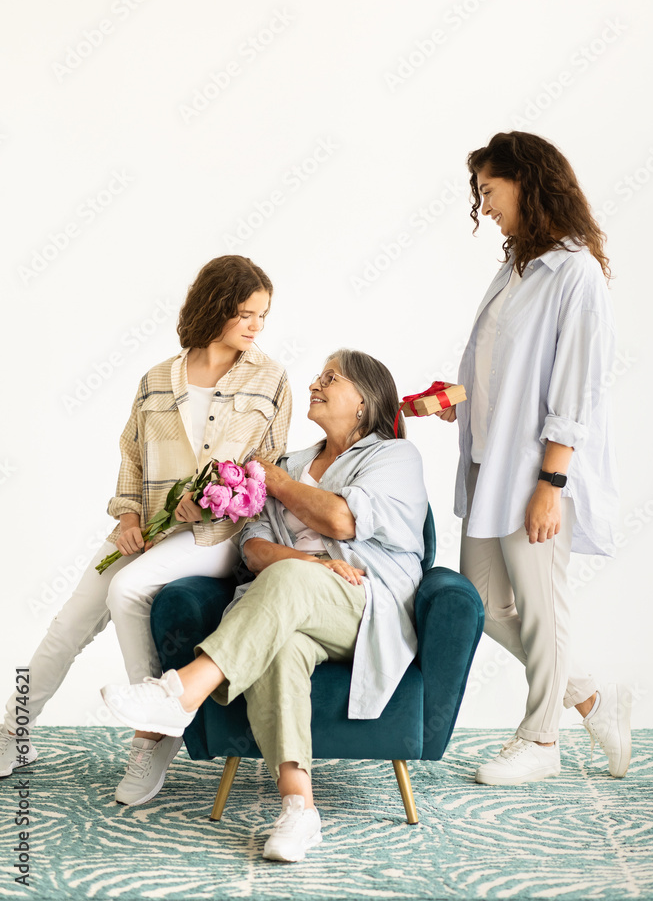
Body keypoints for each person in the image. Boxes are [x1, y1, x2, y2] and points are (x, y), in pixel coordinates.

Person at [101, 349, 428, 863]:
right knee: (282, 646)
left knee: (289, 577)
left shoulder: (392, 457)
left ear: (363, 400)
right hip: (289, 598)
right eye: (317, 375)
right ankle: (300, 811)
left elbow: (344, 522)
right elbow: (251, 544)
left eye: (330, 378)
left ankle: (181, 691)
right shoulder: (295, 462)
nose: (315, 385)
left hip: (363, 604)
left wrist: (275, 483)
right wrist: (307, 562)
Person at [1, 255, 292, 806]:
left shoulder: (270, 378)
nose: (257, 326)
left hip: (217, 536)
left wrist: (209, 506)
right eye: (246, 314)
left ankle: (152, 736)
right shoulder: (158, 379)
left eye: (263, 315)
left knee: (127, 587)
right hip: (148, 526)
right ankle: (13, 732)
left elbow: (267, 467)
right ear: (215, 307)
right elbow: (132, 456)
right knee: (68, 624)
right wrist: (131, 518)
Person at [438, 131, 630, 785]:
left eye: (488, 191)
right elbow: (505, 375)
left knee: (542, 603)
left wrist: (550, 483)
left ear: (526, 181)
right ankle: (590, 696)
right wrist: (454, 399)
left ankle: (541, 739)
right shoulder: (518, 266)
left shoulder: (572, 272)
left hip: (533, 474)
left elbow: (575, 390)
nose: (483, 206)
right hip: (490, 466)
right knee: (480, 601)